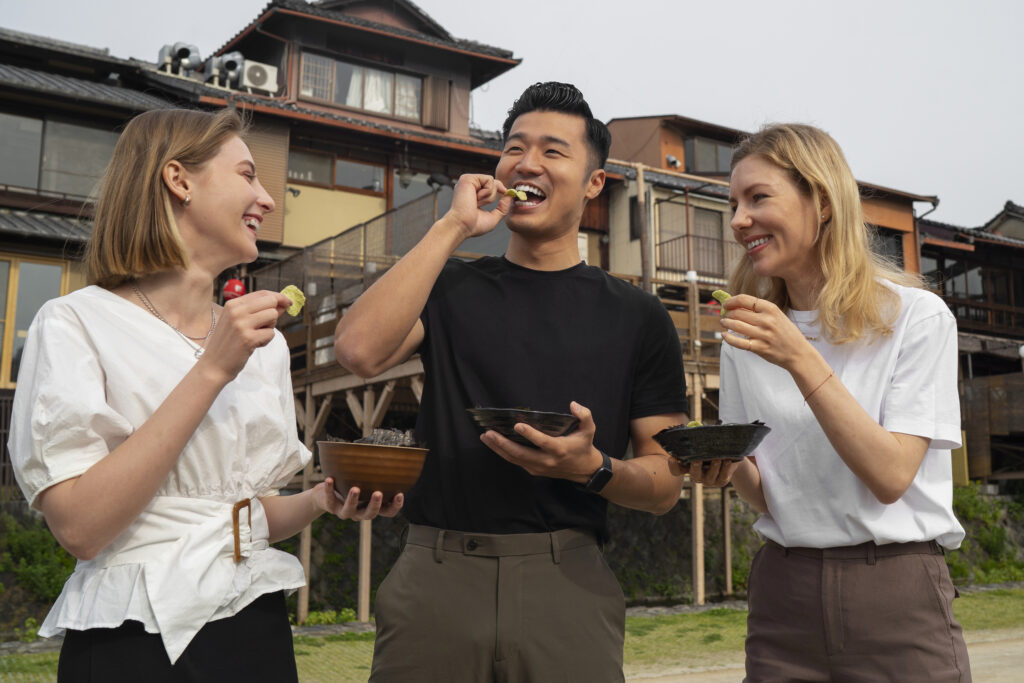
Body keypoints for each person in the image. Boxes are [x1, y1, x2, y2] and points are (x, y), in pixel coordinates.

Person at [8, 107, 402, 682]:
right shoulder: (75, 323)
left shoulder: (261, 348)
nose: (268, 200)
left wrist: (321, 500)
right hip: (134, 636)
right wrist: (212, 368)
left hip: (255, 627)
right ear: (179, 180)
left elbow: (240, 513)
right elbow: (82, 528)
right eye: (247, 175)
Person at [334, 82, 689, 682]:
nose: (526, 163)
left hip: (568, 580)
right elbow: (357, 351)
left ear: (594, 183)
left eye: (553, 151)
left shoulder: (638, 316)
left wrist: (592, 468)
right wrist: (452, 227)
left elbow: (664, 484)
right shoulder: (449, 286)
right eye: (513, 148)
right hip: (436, 574)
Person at [692, 123, 971, 681]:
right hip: (783, 595)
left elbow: (890, 475)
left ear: (821, 201)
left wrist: (799, 356)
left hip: (896, 591)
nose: (739, 218)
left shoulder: (915, 317)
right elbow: (772, 497)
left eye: (758, 197)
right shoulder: (747, 335)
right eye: (733, 203)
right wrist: (722, 467)